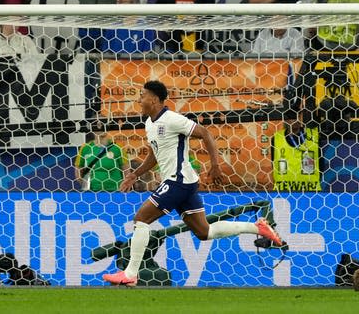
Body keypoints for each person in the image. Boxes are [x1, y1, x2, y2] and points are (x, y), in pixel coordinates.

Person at [102, 80, 284, 286]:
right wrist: (134, 174)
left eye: (142, 95)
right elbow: (154, 156)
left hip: (177, 181)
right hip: (183, 183)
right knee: (204, 232)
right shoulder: (149, 123)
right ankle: (258, 228)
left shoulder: (172, 119)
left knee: (141, 219)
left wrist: (215, 166)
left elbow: (205, 133)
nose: (139, 99)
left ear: (153, 99)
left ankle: (130, 274)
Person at [271, 109, 320, 191]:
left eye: (298, 116)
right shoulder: (276, 138)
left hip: (310, 189)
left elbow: (321, 162)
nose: (295, 120)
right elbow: (273, 163)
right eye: (291, 117)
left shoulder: (314, 136)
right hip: (284, 190)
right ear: (286, 120)